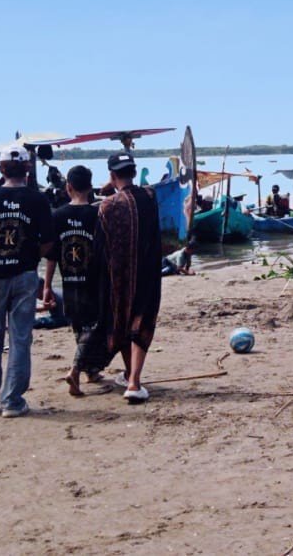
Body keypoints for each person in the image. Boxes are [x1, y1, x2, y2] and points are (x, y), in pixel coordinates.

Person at [0, 146, 55, 418]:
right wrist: (30, 257)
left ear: (0, 168)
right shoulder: (37, 199)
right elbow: (50, 240)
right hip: (25, 275)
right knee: (19, 338)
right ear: (28, 168)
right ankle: (12, 400)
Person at [100, 151, 163, 403]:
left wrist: (110, 190)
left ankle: (131, 377)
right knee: (142, 322)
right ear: (134, 173)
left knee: (123, 321)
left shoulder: (107, 206)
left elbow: (102, 243)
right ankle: (134, 380)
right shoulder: (150, 195)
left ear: (112, 175)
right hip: (147, 270)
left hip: (118, 275)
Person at [42, 166, 109, 397]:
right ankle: (76, 370)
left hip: (69, 280)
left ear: (68, 187)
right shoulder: (97, 215)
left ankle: (91, 371)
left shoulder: (57, 216)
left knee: (79, 326)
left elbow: (51, 255)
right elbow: (104, 252)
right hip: (93, 283)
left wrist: (47, 285)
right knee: (95, 326)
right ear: (91, 188)